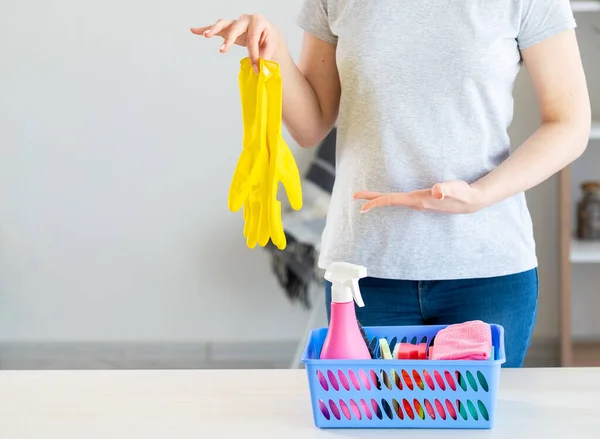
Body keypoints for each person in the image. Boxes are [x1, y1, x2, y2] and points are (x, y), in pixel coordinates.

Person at [192, 0, 591, 367]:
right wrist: (273, 48)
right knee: (370, 423)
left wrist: (479, 195)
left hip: (486, 272)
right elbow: (312, 124)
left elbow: (569, 123)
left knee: (472, 423)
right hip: (365, 273)